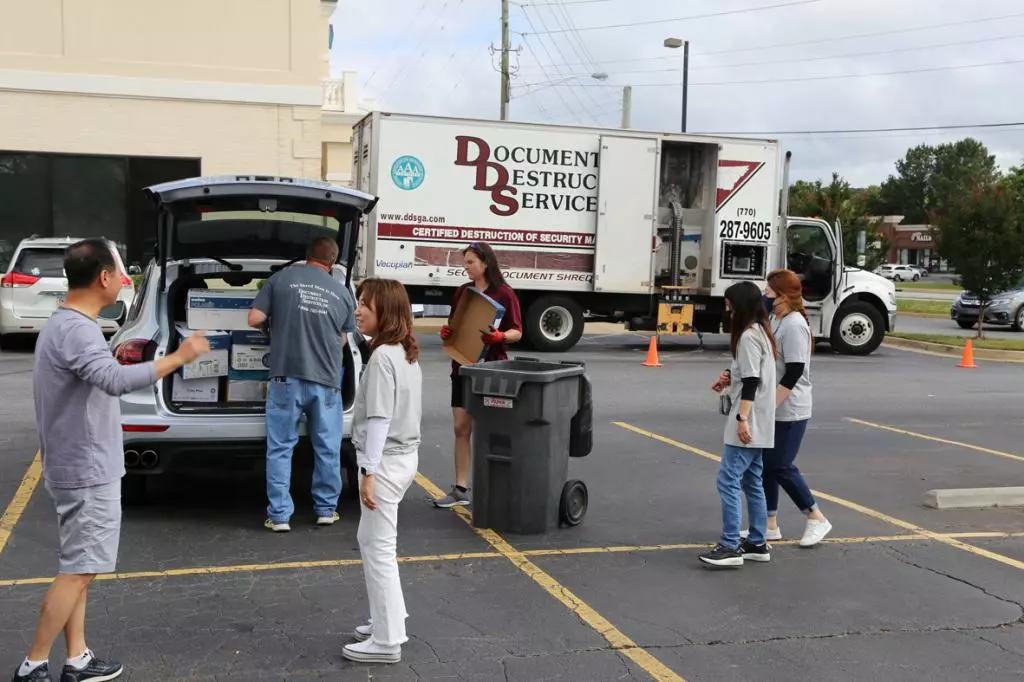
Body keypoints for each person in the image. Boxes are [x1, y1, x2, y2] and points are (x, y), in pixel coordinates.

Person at [16, 239, 210, 682]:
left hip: (74, 464)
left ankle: (78, 657)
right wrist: (179, 358)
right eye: (121, 272)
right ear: (103, 277)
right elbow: (115, 380)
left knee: (78, 567)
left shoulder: (63, 325)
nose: (125, 279)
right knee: (79, 571)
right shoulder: (78, 330)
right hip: (86, 468)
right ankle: (33, 665)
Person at [248, 237, 357, 532]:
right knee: (327, 447)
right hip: (326, 381)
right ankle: (326, 509)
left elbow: (254, 317)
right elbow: (345, 339)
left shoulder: (281, 279)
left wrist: (274, 326)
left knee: (281, 447)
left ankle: (280, 516)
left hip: (286, 377)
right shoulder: (342, 292)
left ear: (306, 255)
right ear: (332, 262)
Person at [343, 279, 423, 665]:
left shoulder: (382, 357)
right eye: (358, 303)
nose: (358, 310)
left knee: (378, 548)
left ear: (385, 312)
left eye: (365, 305)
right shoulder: (403, 352)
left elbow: (378, 419)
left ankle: (387, 639)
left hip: (386, 461)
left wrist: (368, 472)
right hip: (404, 458)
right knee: (372, 541)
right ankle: (387, 618)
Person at [434, 242, 522, 509]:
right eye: (465, 262)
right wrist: (448, 333)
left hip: (492, 370)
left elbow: (518, 331)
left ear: (485, 263)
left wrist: (500, 336)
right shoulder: (463, 292)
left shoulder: (504, 294)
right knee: (461, 428)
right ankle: (461, 489)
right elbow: (455, 325)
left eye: (470, 262)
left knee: (494, 430)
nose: (466, 267)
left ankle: (501, 487)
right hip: (462, 368)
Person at [701, 280, 778, 569]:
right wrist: (727, 375)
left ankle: (730, 545)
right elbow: (749, 373)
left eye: (729, 301)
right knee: (751, 480)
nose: (726, 306)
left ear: (740, 304)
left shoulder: (747, 336)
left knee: (728, 479)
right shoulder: (761, 332)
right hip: (762, 420)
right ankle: (757, 541)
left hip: (749, 419)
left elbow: (751, 381)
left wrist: (741, 418)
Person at [760, 269, 832, 547]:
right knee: (767, 467)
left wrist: (770, 406)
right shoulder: (776, 320)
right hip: (774, 406)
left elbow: (793, 372)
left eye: (768, 293)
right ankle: (769, 525)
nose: (764, 297)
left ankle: (816, 516)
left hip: (791, 408)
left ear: (782, 296)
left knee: (781, 465)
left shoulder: (794, 325)